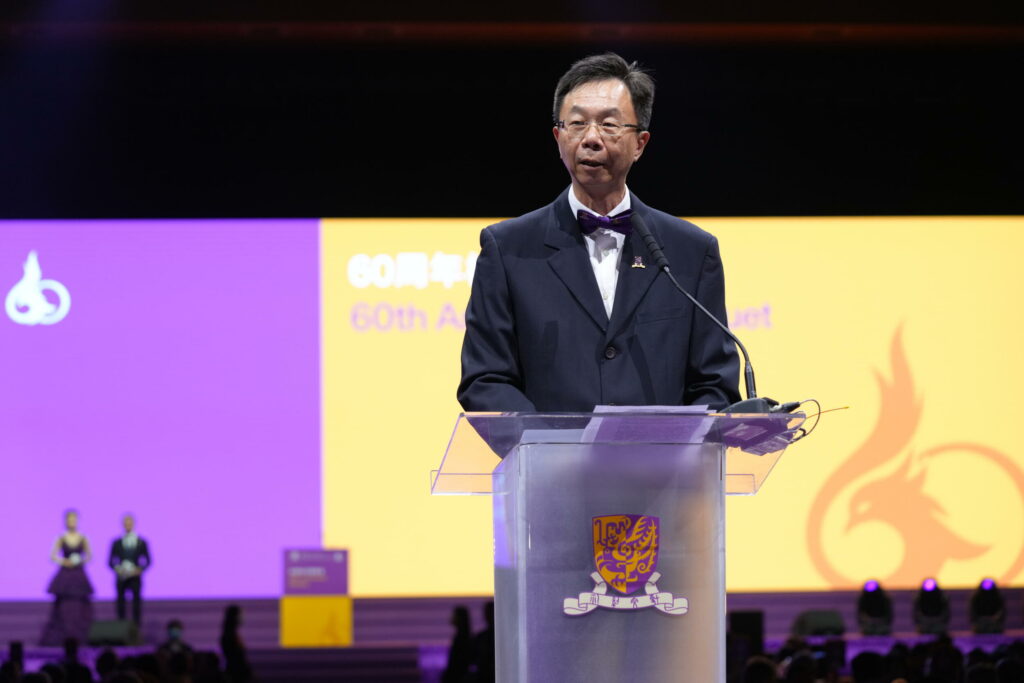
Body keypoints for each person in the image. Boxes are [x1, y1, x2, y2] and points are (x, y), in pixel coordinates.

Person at [458, 52, 740, 413]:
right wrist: (552, 448)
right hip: (548, 467)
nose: (591, 138)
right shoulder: (508, 248)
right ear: (559, 138)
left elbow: (714, 384)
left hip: (661, 467)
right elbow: (485, 381)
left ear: (640, 143)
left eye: (609, 124)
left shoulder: (691, 251)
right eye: (577, 124)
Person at [40, 509, 95, 646]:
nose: (71, 522)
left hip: (78, 575)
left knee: (80, 609)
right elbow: (52, 556)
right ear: (65, 521)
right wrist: (64, 561)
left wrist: (80, 560)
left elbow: (89, 556)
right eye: (69, 520)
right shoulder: (61, 537)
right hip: (65, 576)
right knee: (63, 609)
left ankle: (81, 638)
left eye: (74, 519)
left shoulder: (83, 538)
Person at [108, 513, 151, 624]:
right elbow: (110, 561)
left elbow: (148, 561)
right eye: (126, 523)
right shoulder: (116, 543)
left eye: (130, 523)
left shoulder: (141, 542)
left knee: (136, 604)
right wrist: (118, 569)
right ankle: (120, 627)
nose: (128, 525)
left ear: (133, 524)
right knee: (121, 603)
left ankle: (136, 628)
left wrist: (139, 569)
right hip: (121, 578)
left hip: (135, 578)